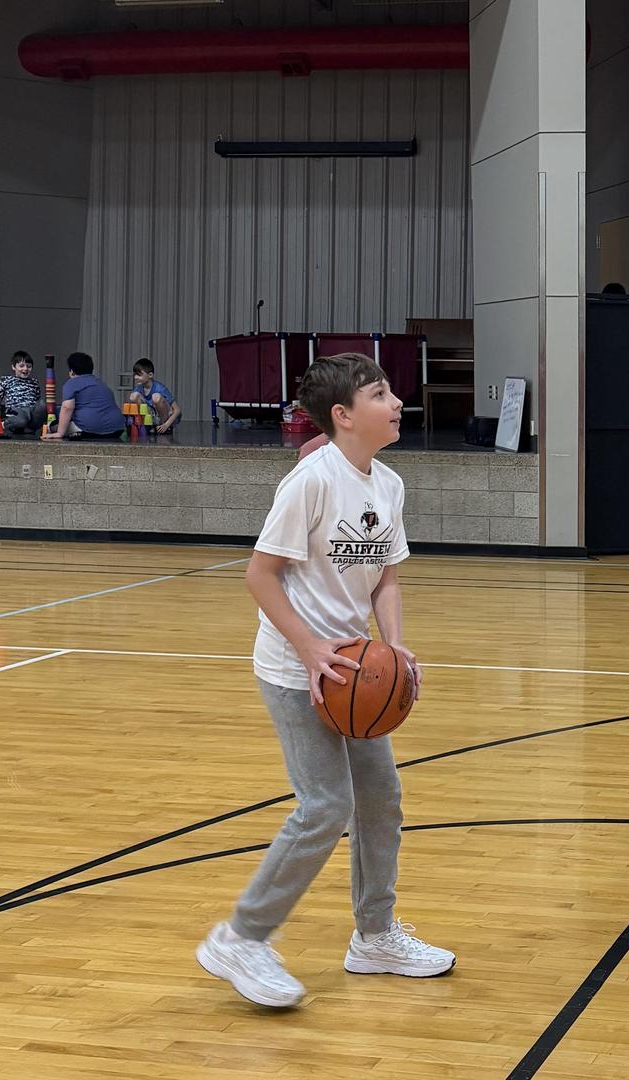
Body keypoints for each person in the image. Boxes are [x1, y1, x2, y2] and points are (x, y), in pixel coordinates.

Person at [195, 352, 452, 1009]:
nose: (396, 402)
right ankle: (241, 937)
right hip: (295, 669)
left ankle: (375, 936)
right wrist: (309, 650)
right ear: (343, 415)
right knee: (326, 805)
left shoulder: (388, 484)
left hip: (354, 669)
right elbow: (259, 576)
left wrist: (394, 647)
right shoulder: (310, 481)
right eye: (380, 393)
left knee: (381, 798)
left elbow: (387, 577)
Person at [42, 352, 125, 441]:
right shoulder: (101, 384)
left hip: (90, 429)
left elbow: (67, 407)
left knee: (52, 426)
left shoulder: (72, 383)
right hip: (117, 429)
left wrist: (59, 433)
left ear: (71, 371)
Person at [0, 352, 46, 435]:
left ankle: (28, 428)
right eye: (21, 366)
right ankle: (6, 424)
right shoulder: (6, 380)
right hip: (16, 411)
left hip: (31, 412)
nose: (25, 369)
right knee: (21, 420)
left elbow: (37, 400)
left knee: (42, 404)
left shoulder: (34, 382)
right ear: (13, 367)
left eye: (29, 366)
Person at [128, 358, 179, 434]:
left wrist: (167, 424)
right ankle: (147, 424)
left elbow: (177, 410)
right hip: (152, 416)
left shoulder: (160, 388)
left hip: (164, 419)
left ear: (150, 375)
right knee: (133, 396)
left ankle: (163, 426)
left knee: (156, 397)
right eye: (135, 374)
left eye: (139, 375)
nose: (135, 377)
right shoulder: (138, 388)